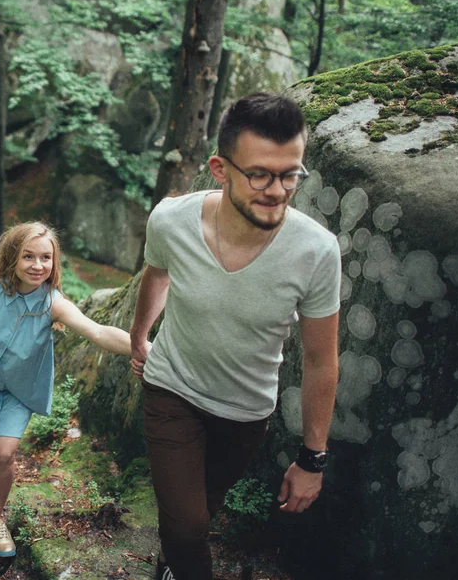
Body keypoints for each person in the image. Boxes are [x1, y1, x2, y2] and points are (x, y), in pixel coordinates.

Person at [129, 92, 341, 580]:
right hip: (172, 390)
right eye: (261, 174)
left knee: (199, 514)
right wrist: (141, 335)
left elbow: (321, 360)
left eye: (291, 174)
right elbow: (156, 275)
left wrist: (313, 458)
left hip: (245, 413)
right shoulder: (170, 219)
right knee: (185, 525)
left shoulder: (317, 252)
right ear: (221, 170)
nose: (278, 190)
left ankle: (172, 561)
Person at [0, 221, 142, 558]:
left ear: (54, 262)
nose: (38, 266)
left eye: (46, 258)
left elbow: (97, 332)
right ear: (12, 257)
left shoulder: (52, 302)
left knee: (5, 453)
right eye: (28, 257)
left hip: (20, 390)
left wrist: (143, 347)